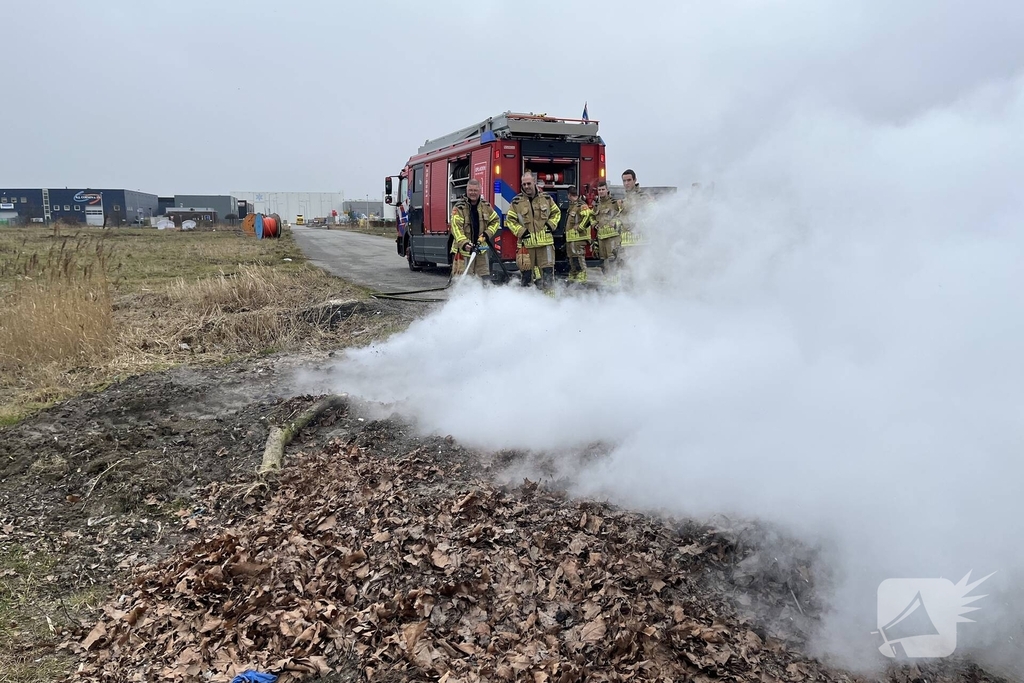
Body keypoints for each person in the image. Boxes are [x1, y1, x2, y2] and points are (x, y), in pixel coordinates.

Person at [504, 171, 561, 289]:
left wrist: (551, 225)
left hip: (546, 246)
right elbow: (509, 220)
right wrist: (521, 231)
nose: (526, 186)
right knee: (526, 279)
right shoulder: (516, 202)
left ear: (534, 182)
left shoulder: (546, 198)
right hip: (526, 247)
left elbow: (556, 213)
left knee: (548, 277)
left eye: (529, 183)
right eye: (524, 184)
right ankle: (527, 305)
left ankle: (550, 303)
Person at [449, 178, 500, 281]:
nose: (473, 193)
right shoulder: (459, 208)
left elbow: (495, 221)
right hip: (464, 252)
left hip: (481, 251)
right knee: (463, 282)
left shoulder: (486, 206)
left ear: (480, 191)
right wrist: (464, 243)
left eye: (475, 190)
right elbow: (455, 228)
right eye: (470, 190)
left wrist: (486, 234)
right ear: (467, 191)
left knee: (484, 281)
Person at [591, 180, 622, 280]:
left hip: (612, 238)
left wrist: (616, 221)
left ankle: (616, 281)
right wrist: (594, 224)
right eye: (599, 190)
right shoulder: (597, 205)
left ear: (607, 190)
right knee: (603, 263)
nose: (601, 191)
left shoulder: (614, 203)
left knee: (613, 260)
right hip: (601, 238)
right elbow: (591, 217)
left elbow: (623, 215)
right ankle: (607, 281)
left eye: (603, 189)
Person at [563, 186, 594, 283]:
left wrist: (580, 227)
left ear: (569, 195)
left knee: (579, 257)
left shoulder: (581, 205)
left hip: (579, 238)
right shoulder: (572, 206)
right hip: (572, 238)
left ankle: (582, 275)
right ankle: (574, 274)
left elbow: (588, 215)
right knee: (573, 258)